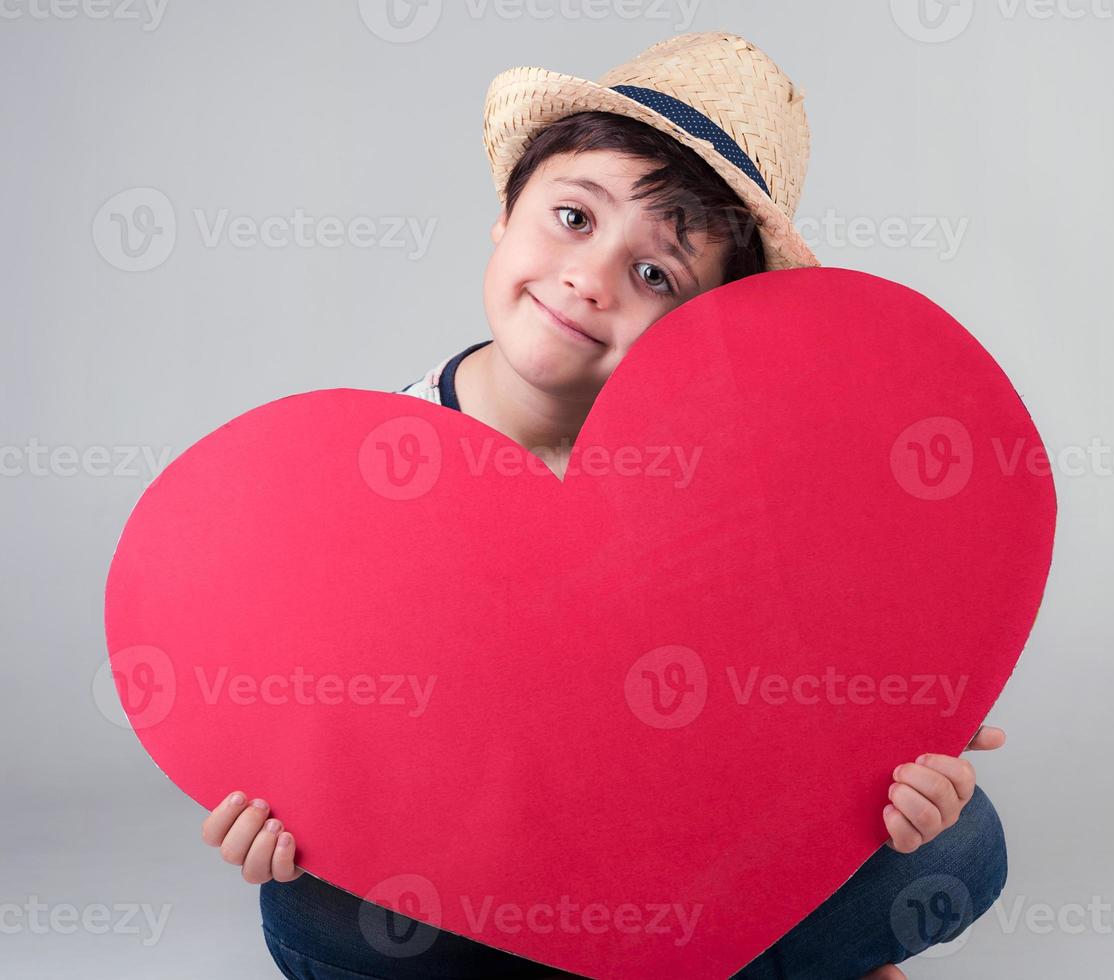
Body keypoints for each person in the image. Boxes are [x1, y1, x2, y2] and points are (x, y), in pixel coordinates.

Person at [199, 31, 1010, 979]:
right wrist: (282, 804)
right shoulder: (382, 472)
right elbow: (326, 691)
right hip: (478, 851)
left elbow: (786, 673)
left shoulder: (739, 474)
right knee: (312, 917)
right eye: (575, 218)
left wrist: (892, 732)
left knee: (960, 846)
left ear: (707, 325)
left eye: (656, 273)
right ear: (506, 213)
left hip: (672, 839)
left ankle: (694, 948)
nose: (591, 278)